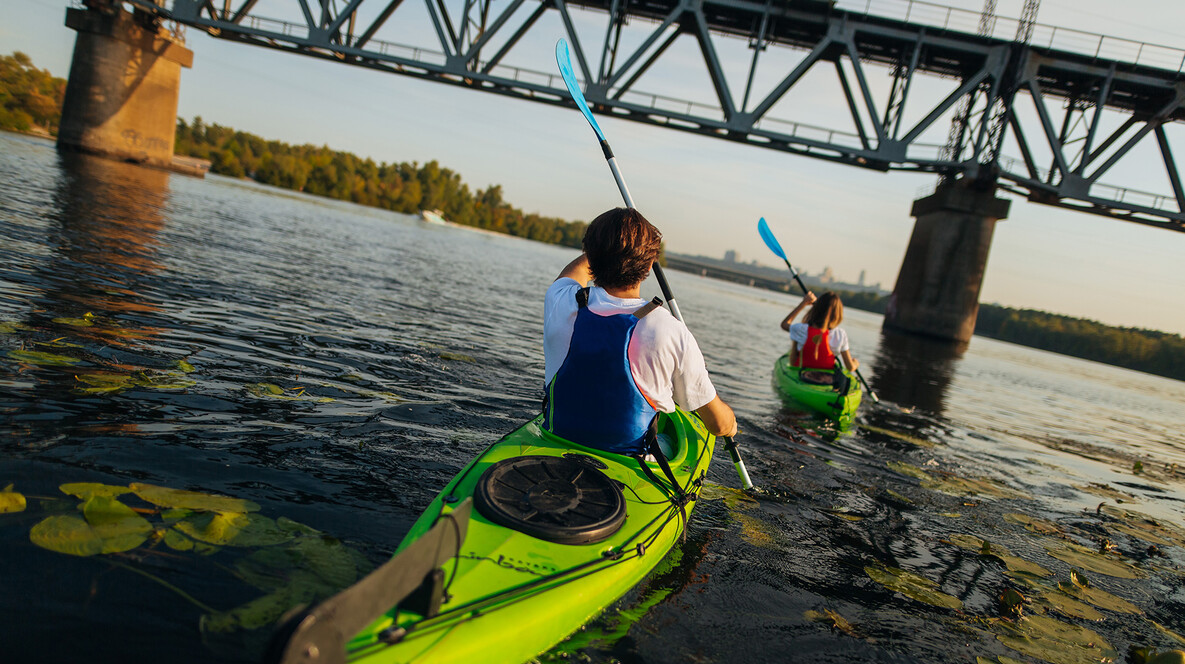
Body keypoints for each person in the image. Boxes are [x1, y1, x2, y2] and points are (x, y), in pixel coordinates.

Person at [543, 207, 737, 456]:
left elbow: (575, 272)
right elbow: (718, 424)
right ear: (648, 264)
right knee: (670, 435)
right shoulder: (671, 331)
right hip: (629, 459)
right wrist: (731, 424)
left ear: (590, 254)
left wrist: (605, 244)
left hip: (557, 439)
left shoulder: (561, 300)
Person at [780, 291, 860, 378]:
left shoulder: (801, 329)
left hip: (801, 374)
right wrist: (855, 363)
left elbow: (784, 324)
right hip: (827, 378)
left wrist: (803, 303)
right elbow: (850, 367)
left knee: (795, 346)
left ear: (816, 309)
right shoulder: (840, 334)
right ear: (838, 314)